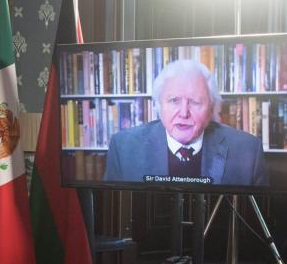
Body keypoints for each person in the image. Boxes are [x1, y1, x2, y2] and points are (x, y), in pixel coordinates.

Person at [103, 59, 268, 186]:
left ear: (211, 108)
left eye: (195, 102)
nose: (184, 113)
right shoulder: (124, 148)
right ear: (159, 105)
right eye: (174, 100)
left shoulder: (248, 151)